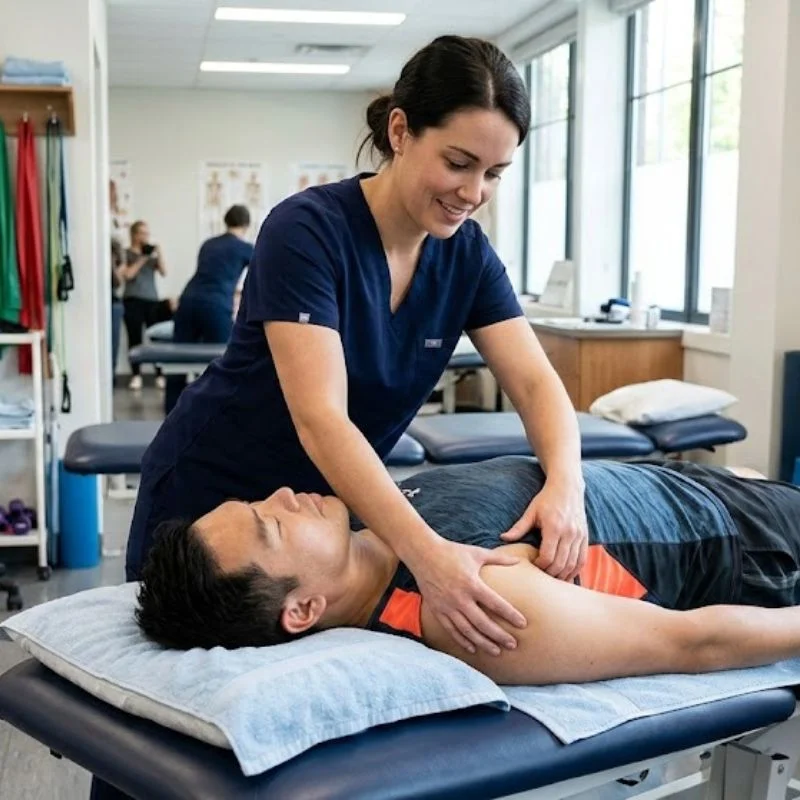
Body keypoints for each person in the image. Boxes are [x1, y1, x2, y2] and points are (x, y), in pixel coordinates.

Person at [126, 35, 588, 665]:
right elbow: (322, 419)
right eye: (458, 162)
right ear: (400, 130)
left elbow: (536, 384)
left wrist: (566, 483)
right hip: (217, 500)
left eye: (494, 173)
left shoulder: (467, 255)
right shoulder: (307, 230)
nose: (474, 191)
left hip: (322, 525)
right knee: (170, 705)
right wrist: (429, 558)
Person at [137, 456, 800, 685]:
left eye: (257, 503)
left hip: (709, 490)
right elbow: (691, 642)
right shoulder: (469, 608)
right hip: (754, 544)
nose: (282, 496)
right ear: (302, 609)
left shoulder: (384, 522)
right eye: (272, 526)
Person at [164, 204, 254, 414]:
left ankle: (171, 415)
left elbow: (212, 273)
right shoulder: (245, 248)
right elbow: (261, 276)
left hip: (187, 301)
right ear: (246, 225)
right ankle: (216, 415)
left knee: (177, 360)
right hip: (214, 305)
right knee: (223, 364)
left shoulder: (208, 244)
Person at [122, 220, 173, 391]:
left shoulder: (151, 255)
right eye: (142, 233)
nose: (145, 237)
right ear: (134, 235)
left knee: (156, 338)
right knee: (134, 338)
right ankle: (136, 375)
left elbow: (164, 272)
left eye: (147, 233)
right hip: (132, 300)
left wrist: (159, 253)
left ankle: (159, 374)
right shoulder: (126, 253)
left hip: (151, 301)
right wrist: (142, 258)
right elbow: (127, 275)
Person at [110, 238, 125, 382]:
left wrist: (112, 264)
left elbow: (118, 283)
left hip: (113, 303)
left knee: (113, 343)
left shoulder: (119, 263)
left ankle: (111, 376)